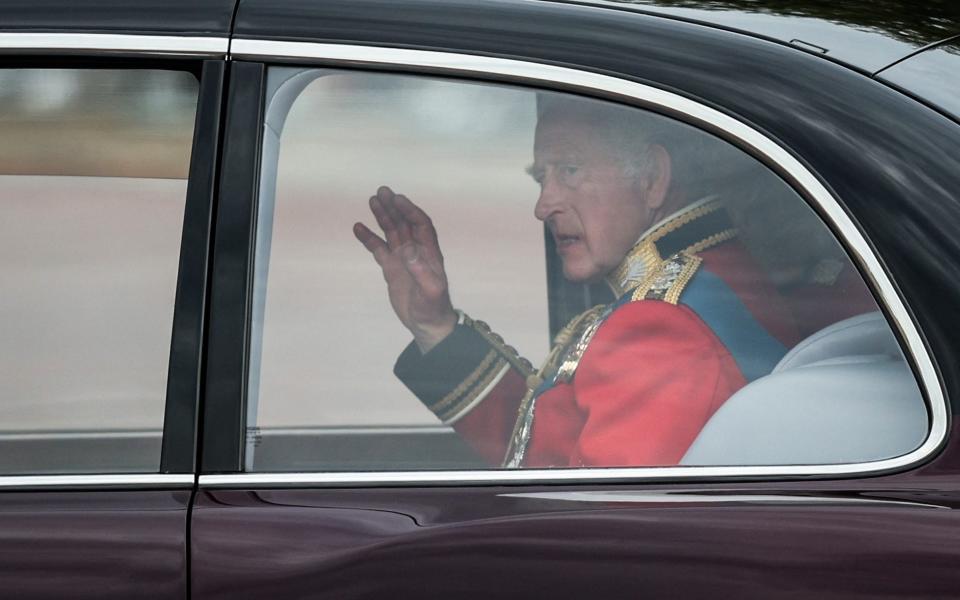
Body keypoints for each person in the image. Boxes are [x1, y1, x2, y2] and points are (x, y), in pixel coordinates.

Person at [353, 95, 797, 468]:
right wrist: (436, 326)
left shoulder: (661, 329)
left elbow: (596, 533)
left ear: (651, 177)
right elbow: (555, 445)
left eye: (569, 170)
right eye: (541, 178)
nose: (543, 206)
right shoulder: (708, 279)